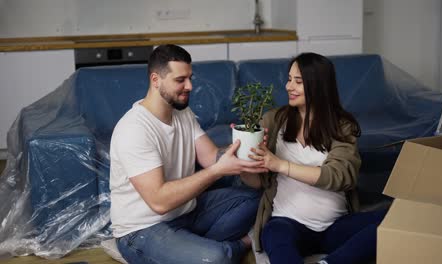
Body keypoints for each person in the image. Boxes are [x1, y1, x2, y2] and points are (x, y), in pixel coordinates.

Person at [109, 44, 266, 264]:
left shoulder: (182, 113)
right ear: (156, 80)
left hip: (186, 213)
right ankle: (236, 246)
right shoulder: (134, 129)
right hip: (142, 229)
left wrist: (245, 151)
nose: (190, 86)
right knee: (216, 259)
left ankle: (187, 248)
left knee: (257, 197)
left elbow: (211, 156)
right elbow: (159, 201)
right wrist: (216, 171)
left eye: (190, 78)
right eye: (180, 80)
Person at [245, 53, 387, 264]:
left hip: (335, 226)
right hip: (288, 222)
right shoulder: (274, 120)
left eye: (298, 81)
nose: (288, 86)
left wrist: (280, 164)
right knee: (274, 235)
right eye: (289, 79)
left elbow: (339, 176)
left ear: (318, 86)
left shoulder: (341, 126)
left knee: (389, 220)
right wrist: (243, 164)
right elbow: (256, 182)